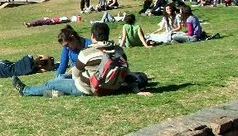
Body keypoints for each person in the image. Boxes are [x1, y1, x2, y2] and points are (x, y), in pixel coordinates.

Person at [11, 22, 150, 97]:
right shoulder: (119, 50)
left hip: (87, 88)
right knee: (59, 80)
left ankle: (25, 91)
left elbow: (76, 75)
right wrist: (137, 91)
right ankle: (57, 91)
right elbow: (127, 72)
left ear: (92, 36)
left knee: (52, 83)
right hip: (111, 87)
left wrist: (60, 79)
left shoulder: (87, 52)